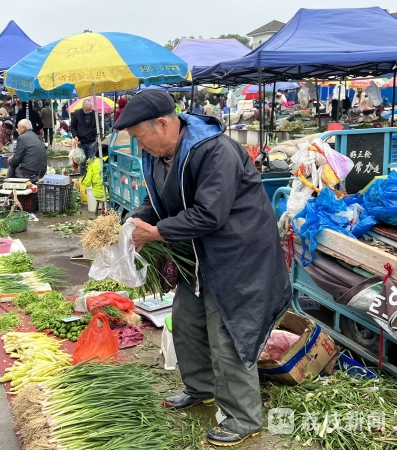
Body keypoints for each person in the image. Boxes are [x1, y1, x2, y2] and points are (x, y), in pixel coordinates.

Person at [115, 90, 290, 447]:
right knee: (187, 320)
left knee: (227, 332)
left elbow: (210, 213)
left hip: (237, 255)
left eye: (139, 137)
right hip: (197, 253)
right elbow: (156, 199)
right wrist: (136, 221)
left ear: (162, 124)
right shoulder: (158, 155)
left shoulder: (215, 151)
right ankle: (201, 388)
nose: (138, 145)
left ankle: (243, 417)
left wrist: (158, 231)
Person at [70, 99, 98, 177]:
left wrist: (98, 136)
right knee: (82, 163)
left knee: (91, 162)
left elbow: (98, 127)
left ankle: (91, 179)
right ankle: (83, 179)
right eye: (87, 110)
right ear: (83, 108)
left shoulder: (95, 114)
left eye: (90, 109)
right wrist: (75, 136)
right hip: (81, 142)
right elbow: (72, 127)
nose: (89, 111)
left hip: (91, 142)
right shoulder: (77, 113)